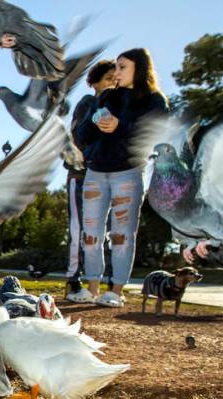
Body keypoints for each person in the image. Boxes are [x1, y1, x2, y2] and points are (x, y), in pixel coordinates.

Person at [73, 48, 169, 308]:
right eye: (116, 66)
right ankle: (92, 288)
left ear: (139, 68)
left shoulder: (154, 101)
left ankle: (115, 291)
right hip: (95, 172)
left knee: (122, 235)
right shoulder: (107, 97)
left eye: (122, 67)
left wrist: (120, 126)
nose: (116, 72)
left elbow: (151, 138)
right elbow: (82, 137)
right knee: (91, 234)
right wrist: (95, 120)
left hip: (128, 173)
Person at [64, 60, 116, 303]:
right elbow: (78, 138)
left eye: (116, 81)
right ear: (94, 82)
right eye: (108, 79)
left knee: (101, 232)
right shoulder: (87, 103)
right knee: (78, 231)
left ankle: (106, 284)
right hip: (81, 176)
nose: (112, 85)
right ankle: (73, 282)